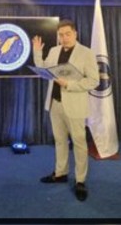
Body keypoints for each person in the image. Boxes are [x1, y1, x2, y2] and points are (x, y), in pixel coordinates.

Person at [32, 20, 99, 201]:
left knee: (79, 143)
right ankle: (61, 173)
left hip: (75, 104)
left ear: (75, 33)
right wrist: (37, 52)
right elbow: (43, 69)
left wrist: (69, 84)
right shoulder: (54, 51)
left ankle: (80, 180)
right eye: (61, 35)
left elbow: (94, 81)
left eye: (67, 34)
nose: (64, 38)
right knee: (60, 141)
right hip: (55, 103)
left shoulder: (86, 53)